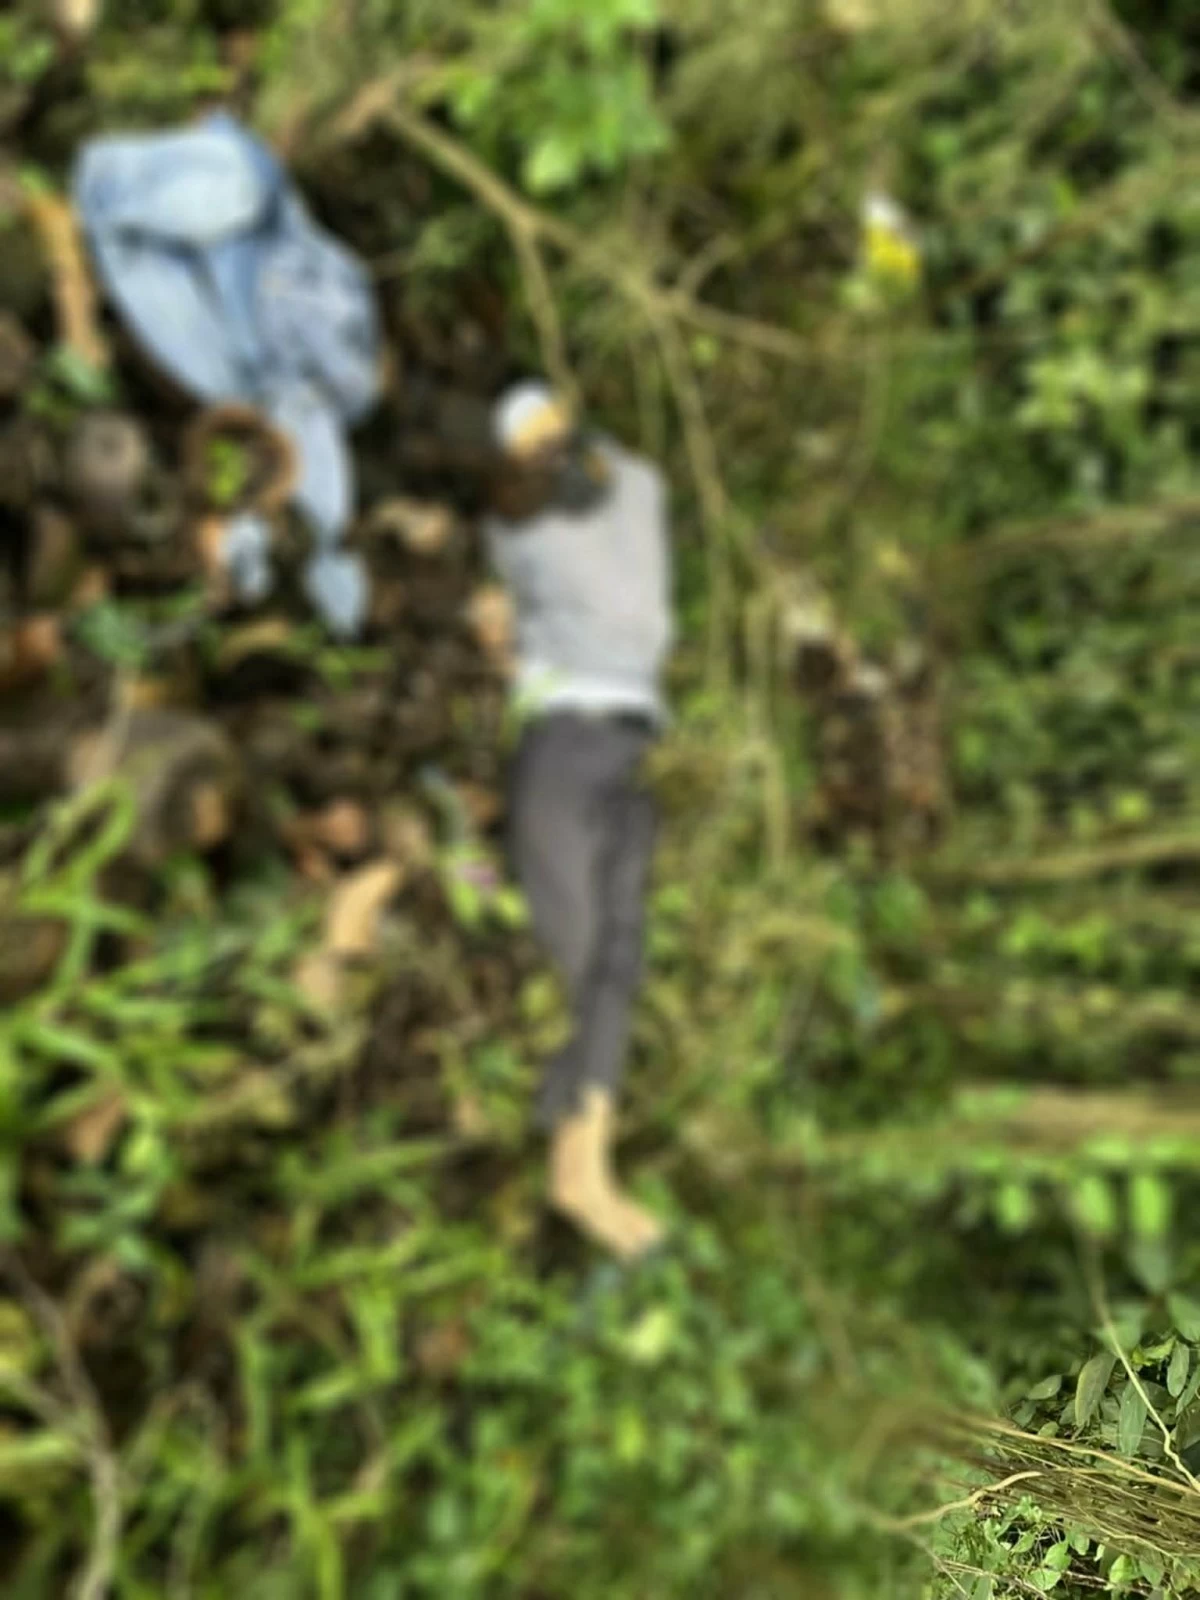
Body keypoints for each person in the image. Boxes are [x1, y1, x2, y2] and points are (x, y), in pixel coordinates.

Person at [480, 380, 675, 1261]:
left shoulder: (634, 486)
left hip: (632, 740)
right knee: (582, 949)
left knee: (616, 953)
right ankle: (577, 1163)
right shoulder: (520, 524)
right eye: (530, 445)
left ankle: (580, 1163)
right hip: (567, 738)